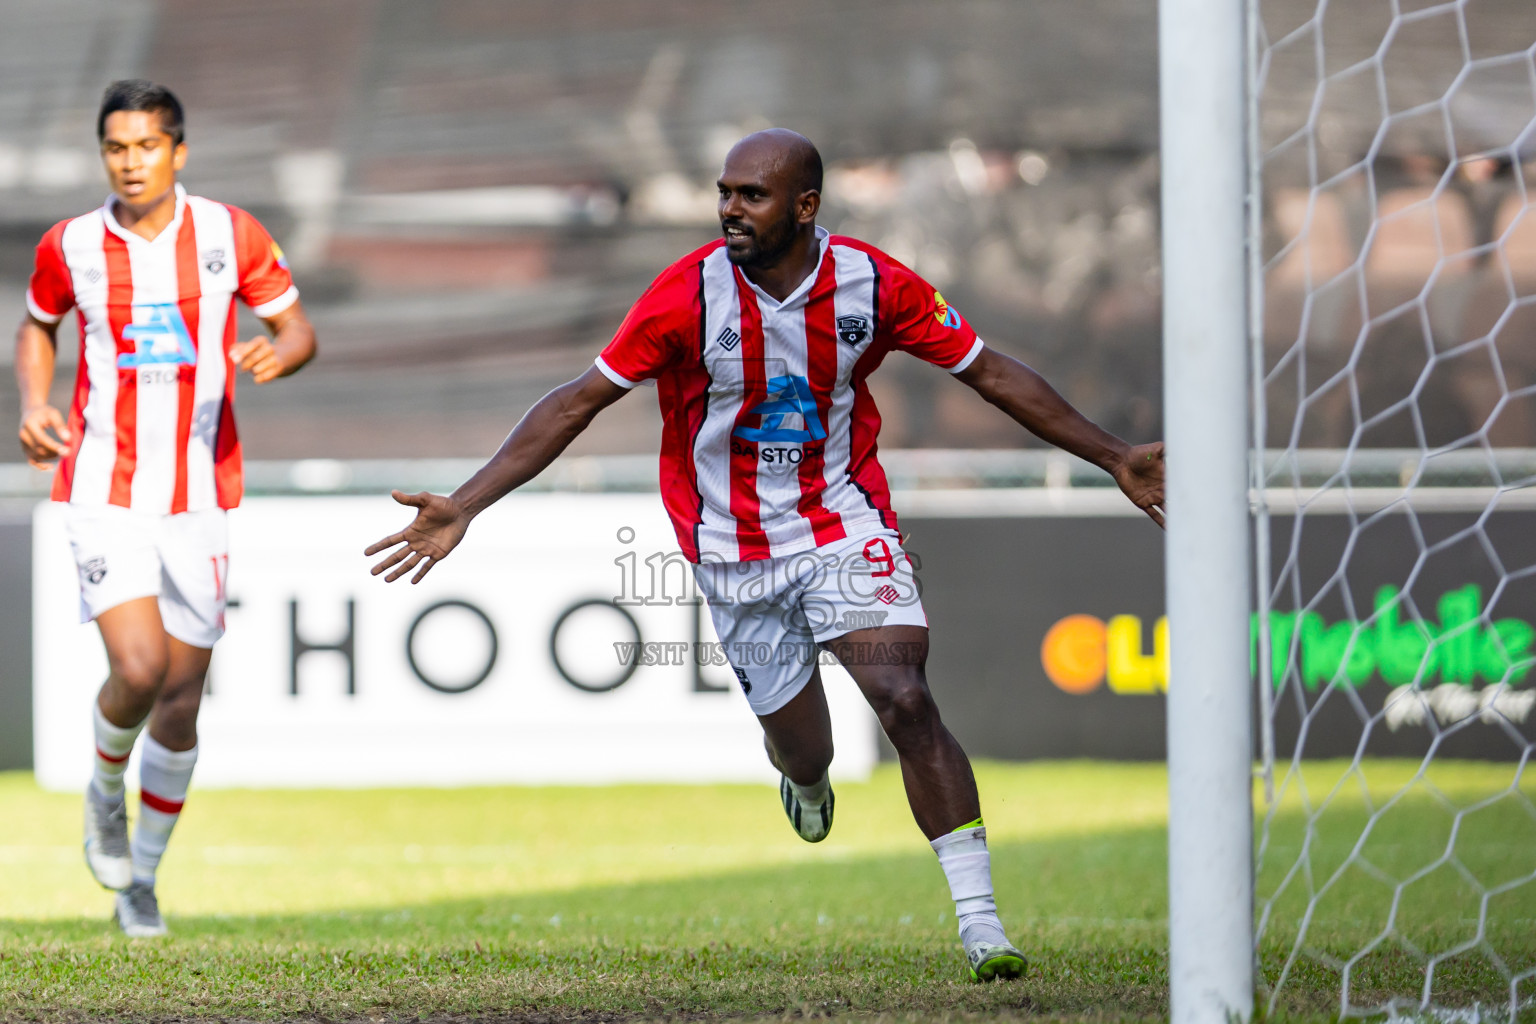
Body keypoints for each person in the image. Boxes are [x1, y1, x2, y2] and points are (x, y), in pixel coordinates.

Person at [365, 129, 1163, 981]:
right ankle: (806, 781)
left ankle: (981, 926)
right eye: (725, 192)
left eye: (752, 195)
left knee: (904, 698)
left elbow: (991, 373)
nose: (730, 210)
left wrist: (1111, 453)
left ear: (806, 206)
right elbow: (575, 403)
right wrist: (469, 503)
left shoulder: (876, 283)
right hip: (731, 553)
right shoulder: (684, 296)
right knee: (805, 751)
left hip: (840, 525)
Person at [14, 80, 316, 937]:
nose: (131, 162)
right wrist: (34, 404)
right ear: (103, 155)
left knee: (181, 700)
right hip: (101, 484)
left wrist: (279, 355)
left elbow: (299, 330)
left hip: (200, 495)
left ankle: (140, 880)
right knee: (140, 669)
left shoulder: (230, 233)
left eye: (148, 146)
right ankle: (103, 787)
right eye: (117, 148)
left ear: (178, 151)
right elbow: (38, 325)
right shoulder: (70, 244)